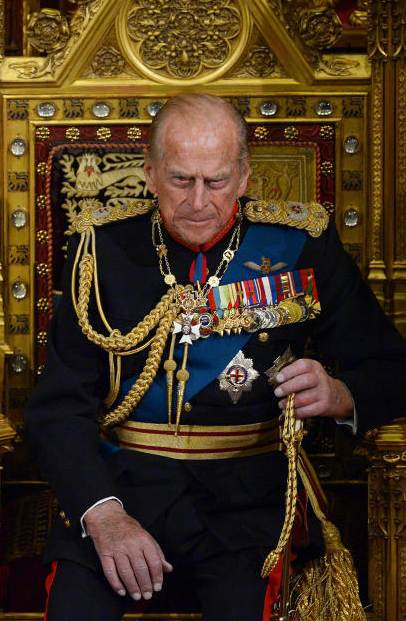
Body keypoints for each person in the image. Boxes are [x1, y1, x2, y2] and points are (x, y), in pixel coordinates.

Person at [25, 93, 406, 621]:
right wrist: (103, 512)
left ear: (245, 177)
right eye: (181, 180)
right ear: (151, 173)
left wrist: (342, 395)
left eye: (217, 181)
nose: (199, 201)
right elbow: (56, 409)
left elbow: (391, 368)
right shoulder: (101, 250)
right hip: (125, 488)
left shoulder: (302, 245)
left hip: (248, 504)